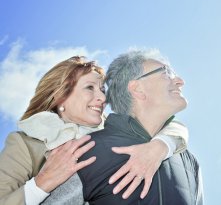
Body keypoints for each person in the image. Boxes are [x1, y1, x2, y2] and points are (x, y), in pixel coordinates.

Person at [0, 56, 189, 205]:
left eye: (102, 90)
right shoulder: (25, 144)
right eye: (90, 88)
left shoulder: (112, 131)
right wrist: (42, 182)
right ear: (60, 97)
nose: (101, 98)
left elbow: (167, 123)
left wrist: (161, 145)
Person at [78, 48, 203, 204]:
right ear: (137, 89)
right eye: (166, 72)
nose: (180, 81)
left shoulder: (188, 161)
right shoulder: (87, 150)